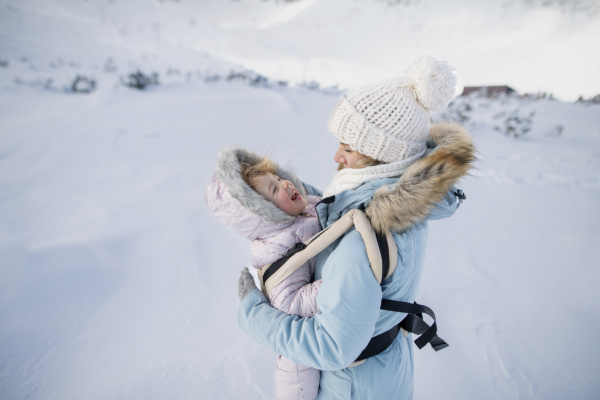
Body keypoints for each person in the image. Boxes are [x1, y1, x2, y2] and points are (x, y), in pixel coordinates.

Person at [237, 55, 476, 399]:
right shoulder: (409, 199)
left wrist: (251, 312)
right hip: (385, 374)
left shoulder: (361, 239)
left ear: (382, 155)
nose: (336, 156)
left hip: (353, 386)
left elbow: (331, 346)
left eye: (347, 147)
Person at [205, 149, 324, 399]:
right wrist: (334, 285)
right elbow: (290, 303)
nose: (286, 183)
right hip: (302, 364)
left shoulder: (307, 208)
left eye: (279, 179)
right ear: (264, 213)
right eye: (274, 189)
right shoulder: (278, 248)